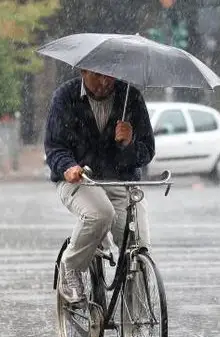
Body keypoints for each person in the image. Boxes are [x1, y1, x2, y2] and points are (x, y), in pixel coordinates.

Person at [44, 69, 155, 304]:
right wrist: (68, 167)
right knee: (100, 214)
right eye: (97, 75)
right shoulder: (65, 97)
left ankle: (135, 320)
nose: (105, 82)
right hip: (80, 180)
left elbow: (146, 153)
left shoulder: (130, 98)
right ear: (83, 71)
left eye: (110, 75)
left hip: (121, 182)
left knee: (138, 245)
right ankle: (70, 268)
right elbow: (54, 148)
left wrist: (129, 143)